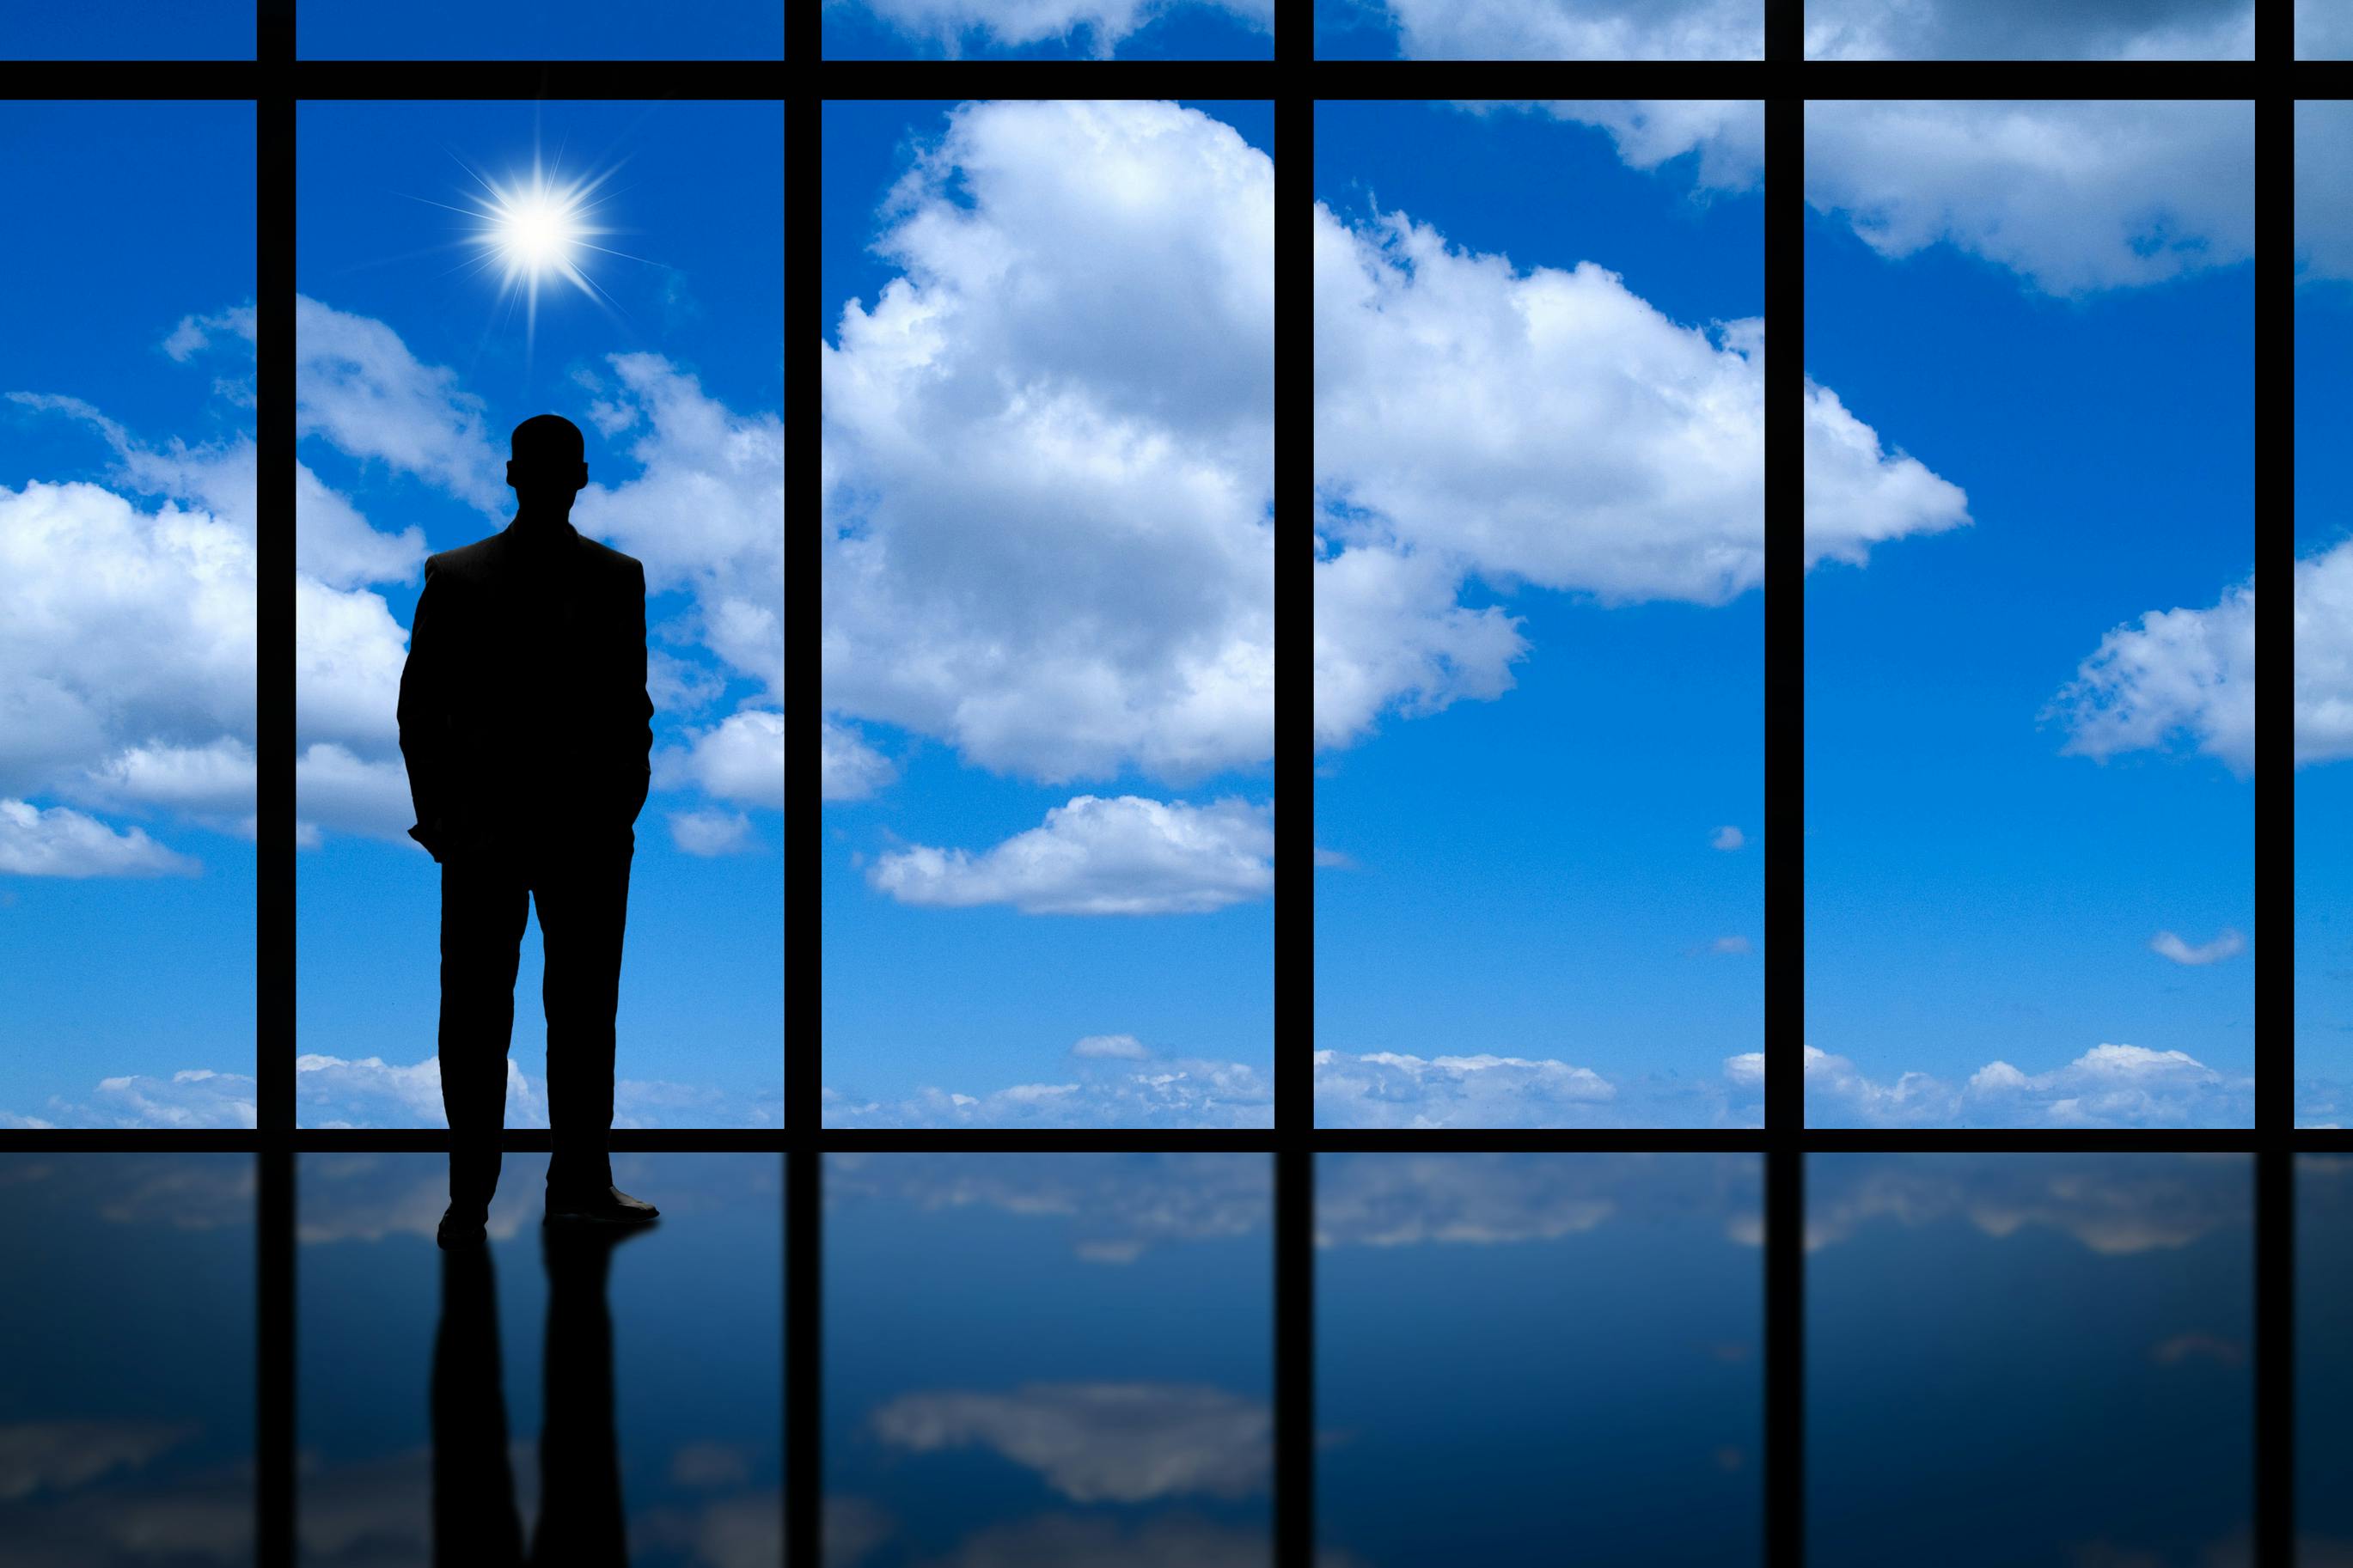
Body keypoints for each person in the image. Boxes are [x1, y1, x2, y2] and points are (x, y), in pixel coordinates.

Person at [398, 413, 659, 1246]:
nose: (550, 482)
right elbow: (419, 709)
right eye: (544, 469)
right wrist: (442, 820)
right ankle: (485, 1194)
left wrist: (619, 808)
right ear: (527, 476)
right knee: (494, 1015)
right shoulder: (459, 574)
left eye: (556, 469)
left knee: (563, 1014)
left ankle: (544, 1186)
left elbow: (630, 708)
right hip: (494, 834)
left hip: (577, 834)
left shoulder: (614, 577)